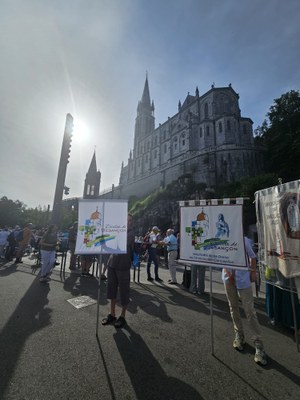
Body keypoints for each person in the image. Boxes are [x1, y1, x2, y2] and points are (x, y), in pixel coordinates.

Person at [222, 235, 267, 366]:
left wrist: (253, 272)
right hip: (227, 278)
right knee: (233, 307)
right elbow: (220, 258)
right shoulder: (222, 238)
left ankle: (259, 345)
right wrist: (228, 274)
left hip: (243, 279)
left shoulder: (244, 240)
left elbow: (253, 256)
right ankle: (239, 335)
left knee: (250, 311)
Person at [102, 213, 135, 329]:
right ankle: (112, 314)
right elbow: (108, 246)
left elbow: (120, 244)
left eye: (130, 221)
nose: (128, 222)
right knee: (111, 289)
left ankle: (123, 316)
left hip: (123, 265)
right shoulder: (116, 231)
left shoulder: (131, 233)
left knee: (124, 290)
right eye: (126, 220)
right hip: (112, 263)